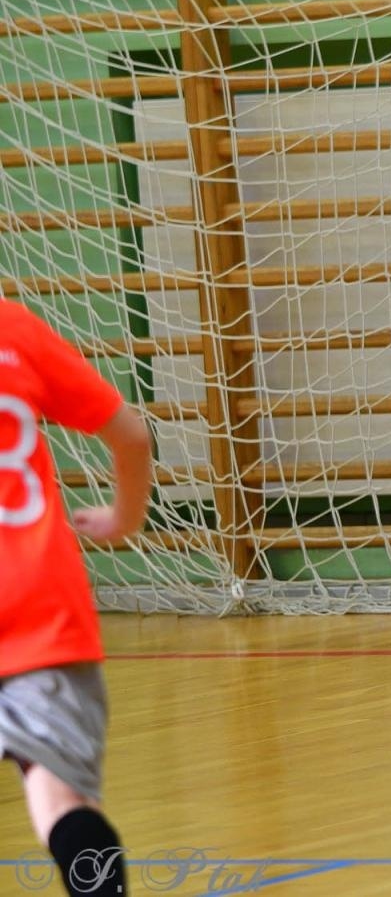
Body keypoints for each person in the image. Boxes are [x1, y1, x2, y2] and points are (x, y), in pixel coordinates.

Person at [1, 298, 152, 896]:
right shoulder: (12, 328)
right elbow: (133, 436)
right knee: (61, 803)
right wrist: (125, 518)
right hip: (40, 604)